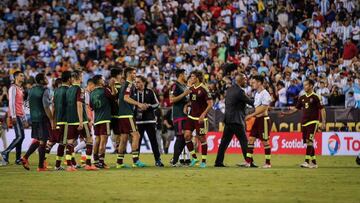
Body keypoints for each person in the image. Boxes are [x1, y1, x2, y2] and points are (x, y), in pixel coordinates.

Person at [281, 79, 326, 168]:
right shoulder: (302, 97)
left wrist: (323, 122)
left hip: (313, 121)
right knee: (308, 142)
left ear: (311, 86)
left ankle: (306, 161)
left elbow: (322, 109)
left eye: (306, 85)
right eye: (304, 85)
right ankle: (314, 163)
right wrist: (286, 113)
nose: (304, 87)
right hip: (304, 122)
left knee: (310, 141)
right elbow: (296, 109)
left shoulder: (316, 97)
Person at [214, 73, 254, 167]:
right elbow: (250, 102)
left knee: (224, 142)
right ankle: (249, 162)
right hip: (236, 120)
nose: (246, 80)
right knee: (244, 141)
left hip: (228, 119)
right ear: (239, 80)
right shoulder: (240, 91)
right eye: (244, 79)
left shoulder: (230, 90)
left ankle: (218, 162)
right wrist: (261, 102)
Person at [21, 73, 54, 171]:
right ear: (41, 81)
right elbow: (46, 106)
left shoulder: (31, 90)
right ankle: (40, 166)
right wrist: (52, 119)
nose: (47, 79)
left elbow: (27, 104)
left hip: (34, 118)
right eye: (45, 78)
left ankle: (25, 157)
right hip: (43, 118)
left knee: (38, 139)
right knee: (43, 142)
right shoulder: (45, 90)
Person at [65, 71, 97, 171]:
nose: (83, 77)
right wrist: (81, 121)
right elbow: (79, 105)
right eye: (82, 76)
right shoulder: (80, 90)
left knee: (70, 142)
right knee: (89, 140)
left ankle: (69, 166)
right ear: (78, 77)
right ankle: (88, 164)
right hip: (80, 120)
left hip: (70, 120)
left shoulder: (68, 90)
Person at [116, 67, 147, 168]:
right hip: (127, 115)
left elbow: (120, 101)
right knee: (136, 135)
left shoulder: (124, 85)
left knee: (124, 139)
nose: (135, 75)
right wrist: (138, 104)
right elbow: (125, 98)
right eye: (134, 73)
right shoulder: (129, 84)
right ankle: (135, 161)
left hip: (122, 115)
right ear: (129, 74)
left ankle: (119, 163)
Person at [184, 70, 213, 168]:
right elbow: (192, 100)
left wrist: (203, 114)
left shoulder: (204, 89)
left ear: (197, 78)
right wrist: (186, 105)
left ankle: (204, 161)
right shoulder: (191, 88)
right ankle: (195, 158)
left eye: (192, 76)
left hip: (200, 118)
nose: (191, 78)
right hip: (191, 116)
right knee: (187, 136)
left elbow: (210, 104)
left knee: (201, 138)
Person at [132, 75, 163, 167]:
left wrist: (148, 106)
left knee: (153, 141)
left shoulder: (150, 92)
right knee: (138, 141)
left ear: (143, 83)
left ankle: (158, 160)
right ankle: (136, 161)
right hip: (137, 121)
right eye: (135, 82)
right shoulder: (132, 92)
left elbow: (157, 104)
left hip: (150, 120)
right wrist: (136, 107)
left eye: (138, 82)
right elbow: (129, 104)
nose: (136, 84)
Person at [244, 75, 272, 168]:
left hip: (264, 120)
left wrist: (251, 115)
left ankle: (268, 163)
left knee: (265, 141)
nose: (252, 84)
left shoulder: (265, 94)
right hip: (257, 119)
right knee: (251, 139)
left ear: (259, 83)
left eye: (254, 82)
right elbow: (257, 107)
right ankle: (248, 162)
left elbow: (264, 108)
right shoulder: (257, 94)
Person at [1, 71, 27, 165]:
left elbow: (21, 104)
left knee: (20, 137)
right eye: (21, 76)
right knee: (20, 136)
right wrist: (13, 116)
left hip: (20, 115)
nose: (23, 77)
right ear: (16, 77)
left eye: (23, 76)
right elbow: (11, 102)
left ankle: (17, 158)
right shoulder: (13, 88)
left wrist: (24, 118)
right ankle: (5, 152)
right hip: (15, 115)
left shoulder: (20, 88)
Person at [90, 75, 113, 169]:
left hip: (97, 119)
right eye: (103, 79)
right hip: (105, 118)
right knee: (104, 140)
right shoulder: (105, 90)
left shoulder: (92, 93)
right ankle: (101, 162)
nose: (104, 81)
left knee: (97, 140)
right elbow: (113, 98)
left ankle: (95, 160)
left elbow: (92, 106)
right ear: (99, 81)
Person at [50, 71, 72, 170]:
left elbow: (53, 107)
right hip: (67, 119)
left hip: (59, 120)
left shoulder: (56, 91)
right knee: (67, 142)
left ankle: (58, 165)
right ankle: (68, 165)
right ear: (69, 79)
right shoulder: (69, 90)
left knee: (63, 143)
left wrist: (53, 121)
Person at [169, 69, 191, 166]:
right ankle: (174, 161)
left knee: (184, 137)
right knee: (180, 137)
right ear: (181, 75)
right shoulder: (175, 85)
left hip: (185, 115)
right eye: (185, 74)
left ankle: (175, 159)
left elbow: (185, 100)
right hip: (178, 116)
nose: (187, 76)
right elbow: (171, 100)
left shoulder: (184, 86)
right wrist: (184, 94)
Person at [109, 68, 122, 154]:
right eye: (120, 74)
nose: (121, 76)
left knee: (106, 134)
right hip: (117, 113)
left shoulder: (107, 85)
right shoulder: (119, 86)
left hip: (109, 113)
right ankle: (118, 149)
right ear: (117, 75)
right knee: (119, 133)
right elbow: (119, 100)